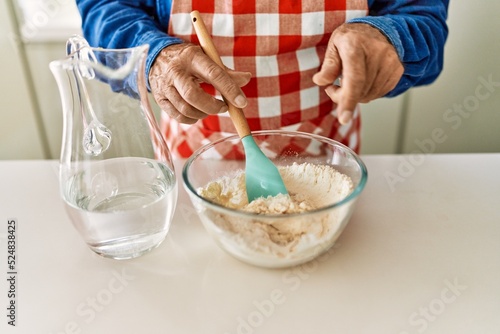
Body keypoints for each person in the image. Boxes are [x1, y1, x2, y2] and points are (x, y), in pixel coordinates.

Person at [76, 0, 449, 157]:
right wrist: (155, 57)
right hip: (192, 157)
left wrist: (390, 38)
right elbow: (106, 9)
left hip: (329, 155)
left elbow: (421, 16)